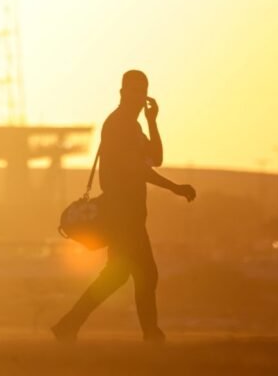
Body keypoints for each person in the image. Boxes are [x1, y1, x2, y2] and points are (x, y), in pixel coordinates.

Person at [52, 70, 196, 342]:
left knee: (116, 275)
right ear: (122, 93)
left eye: (143, 92)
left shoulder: (134, 125)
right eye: (133, 91)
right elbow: (140, 170)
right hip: (123, 214)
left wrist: (153, 122)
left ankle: (68, 326)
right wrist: (175, 188)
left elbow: (156, 158)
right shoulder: (120, 125)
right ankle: (151, 334)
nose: (139, 97)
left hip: (130, 214)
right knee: (146, 274)